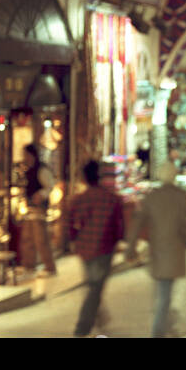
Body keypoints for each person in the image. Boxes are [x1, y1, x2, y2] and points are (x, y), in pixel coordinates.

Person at [127, 163, 186, 338]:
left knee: (162, 290)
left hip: (157, 249)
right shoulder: (181, 196)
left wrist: (130, 247)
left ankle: (166, 324)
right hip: (174, 250)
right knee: (164, 292)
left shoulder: (152, 197)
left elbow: (138, 222)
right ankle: (158, 330)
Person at [62, 160, 126, 337]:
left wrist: (73, 240)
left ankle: (99, 318)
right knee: (95, 287)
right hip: (104, 248)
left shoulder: (79, 199)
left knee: (93, 285)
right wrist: (119, 240)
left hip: (85, 248)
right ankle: (82, 327)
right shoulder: (112, 199)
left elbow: (68, 222)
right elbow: (119, 225)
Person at [22, 144, 57, 277]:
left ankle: (50, 267)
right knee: (28, 238)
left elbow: (50, 186)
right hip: (30, 208)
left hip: (39, 208)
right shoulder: (29, 169)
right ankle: (29, 265)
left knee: (41, 239)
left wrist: (41, 195)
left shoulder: (41, 169)